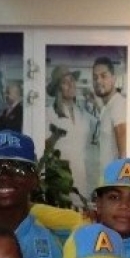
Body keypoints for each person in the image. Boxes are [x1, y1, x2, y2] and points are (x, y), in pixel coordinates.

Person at [46, 65, 93, 204]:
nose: (71, 84)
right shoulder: (49, 113)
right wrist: (55, 136)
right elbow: (43, 147)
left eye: (72, 80)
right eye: (65, 82)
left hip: (82, 176)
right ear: (58, 89)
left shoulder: (82, 114)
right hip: (60, 177)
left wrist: (95, 100)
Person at [91, 56, 127, 167]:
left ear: (113, 78)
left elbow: (124, 152)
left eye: (103, 76)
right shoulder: (107, 108)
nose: (98, 81)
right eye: (95, 77)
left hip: (114, 180)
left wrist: (121, 182)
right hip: (106, 178)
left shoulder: (118, 105)